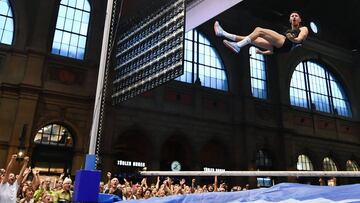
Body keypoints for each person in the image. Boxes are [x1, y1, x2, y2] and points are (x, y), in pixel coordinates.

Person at [214, 11, 309, 55]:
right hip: (279, 49)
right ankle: (222, 33)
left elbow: (300, 39)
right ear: (289, 20)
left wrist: (293, 39)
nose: (294, 17)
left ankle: (238, 46)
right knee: (251, 39)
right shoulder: (288, 31)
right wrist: (262, 52)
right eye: (292, 16)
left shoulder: (303, 28)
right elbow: (273, 51)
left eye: (296, 16)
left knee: (259, 30)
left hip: (286, 44)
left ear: (300, 19)